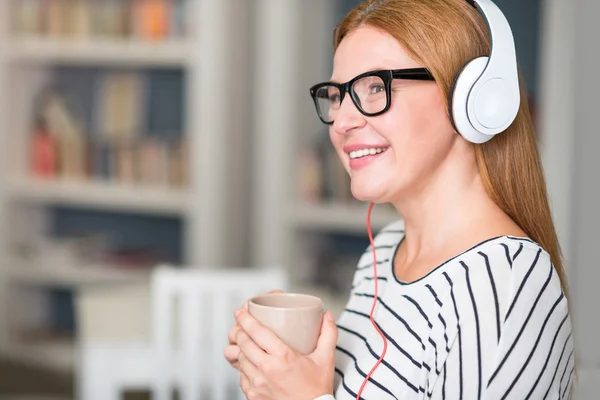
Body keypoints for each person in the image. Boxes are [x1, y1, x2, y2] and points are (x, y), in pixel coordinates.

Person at [224, 0, 575, 398]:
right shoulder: (383, 254)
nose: (341, 122)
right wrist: (284, 365)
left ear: (470, 100)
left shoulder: (506, 282)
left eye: (375, 87)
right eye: (337, 95)